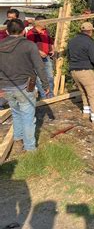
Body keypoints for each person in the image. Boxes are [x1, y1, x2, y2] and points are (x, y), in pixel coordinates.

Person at [0, 19, 50, 151]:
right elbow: (39, 67)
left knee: (16, 113)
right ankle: (30, 148)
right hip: (25, 86)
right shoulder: (29, 45)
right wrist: (45, 84)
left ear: (6, 31)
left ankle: (18, 139)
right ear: (23, 31)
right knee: (28, 118)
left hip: (6, 87)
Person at [67, 22, 94, 124]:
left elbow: (69, 56)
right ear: (90, 31)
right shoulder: (89, 42)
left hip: (74, 71)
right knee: (93, 94)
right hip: (85, 71)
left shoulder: (72, 41)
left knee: (83, 92)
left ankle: (86, 114)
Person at [26, 15, 55, 99]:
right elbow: (29, 46)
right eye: (44, 22)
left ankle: (51, 95)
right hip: (36, 59)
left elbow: (50, 41)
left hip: (47, 57)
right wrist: (39, 52)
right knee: (39, 78)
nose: (46, 24)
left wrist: (52, 49)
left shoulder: (46, 31)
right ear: (39, 23)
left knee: (50, 77)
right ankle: (44, 95)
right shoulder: (31, 33)